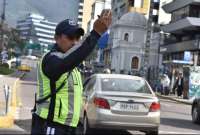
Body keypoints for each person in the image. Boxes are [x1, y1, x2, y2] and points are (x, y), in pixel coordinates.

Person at [31, 9, 112, 135]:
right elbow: (65, 61)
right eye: (70, 37)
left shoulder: (73, 64)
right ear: (56, 38)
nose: (74, 41)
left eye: (77, 37)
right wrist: (95, 34)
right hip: (51, 126)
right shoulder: (50, 59)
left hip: (69, 127)